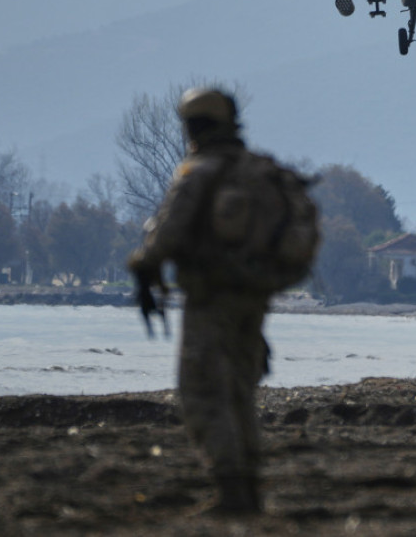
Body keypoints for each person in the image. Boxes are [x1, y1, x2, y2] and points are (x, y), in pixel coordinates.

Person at [127, 87, 285, 514]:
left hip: (210, 299)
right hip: (254, 300)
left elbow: (166, 235)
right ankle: (249, 489)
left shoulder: (199, 172)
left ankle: (232, 490)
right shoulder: (258, 171)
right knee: (239, 393)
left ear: (194, 125)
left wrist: (143, 265)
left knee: (203, 394)